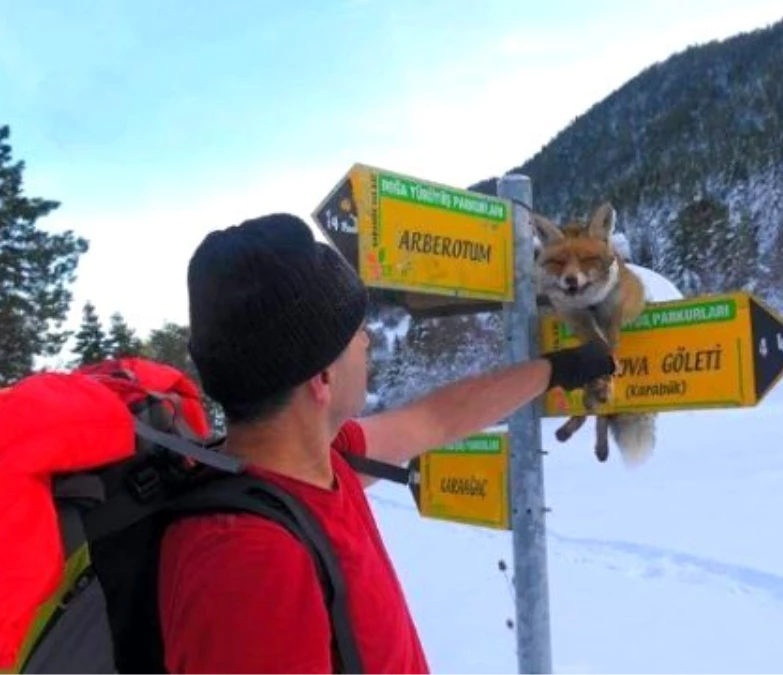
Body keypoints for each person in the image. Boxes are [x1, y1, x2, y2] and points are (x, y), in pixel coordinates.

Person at [158, 212, 615, 674]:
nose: (367, 340)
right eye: (354, 331)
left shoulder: (322, 460)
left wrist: (559, 369)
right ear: (322, 377)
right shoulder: (248, 565)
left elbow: (435, 418)